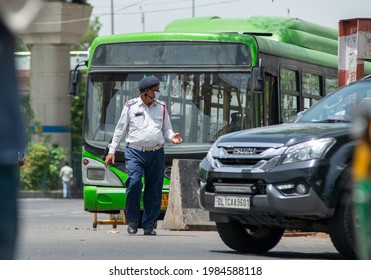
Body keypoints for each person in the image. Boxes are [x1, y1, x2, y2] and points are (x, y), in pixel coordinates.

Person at [104, 76, 182, 236]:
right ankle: (132, 221)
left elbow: (166, 129)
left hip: (156, 153)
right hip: (134, 152)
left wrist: (172, 136)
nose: (159, 93)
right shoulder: (131, 106)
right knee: (134, 183)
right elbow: (120, 130)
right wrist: (112, 151)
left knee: (154, 190)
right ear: (146, 92)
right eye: (156, 90)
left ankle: (148, 225)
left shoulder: (162, 107)